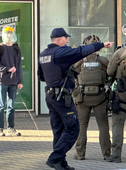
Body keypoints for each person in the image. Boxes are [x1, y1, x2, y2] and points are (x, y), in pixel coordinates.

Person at [38, 28, 113, 170]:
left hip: (51, 96)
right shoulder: (60, 52)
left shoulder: (43, 54)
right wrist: (102, 44)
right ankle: (55, 158)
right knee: (73, 128)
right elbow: (80, 51)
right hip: (62, 97)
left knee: (58, 130)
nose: (67, 41)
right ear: (59, 39)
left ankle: (60, 162)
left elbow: (41, 76)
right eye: (65, 38)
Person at [72, 35, 111, 160]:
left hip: (83, 98)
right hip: (100, 97)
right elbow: (110, 74)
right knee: (103, 126)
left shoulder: (79, 62)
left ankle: (80, 153)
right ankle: (106, 153)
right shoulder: (104, 61)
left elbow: (72, 74)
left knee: (82, 125)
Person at [0, 26, 23, 137]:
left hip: (14, 81)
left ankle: (11, 128)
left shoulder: (16, 48)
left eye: (11, 33)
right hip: (2, 80)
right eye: (7, 33)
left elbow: (19, 65)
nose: (9, 35)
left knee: (11, 105)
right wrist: (6, 69)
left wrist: (19, 81)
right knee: (1, 105)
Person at [106, 43, 126, 163]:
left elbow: (109, 71)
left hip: (122, 94)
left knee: (117, 124)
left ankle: (116, 155)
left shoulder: (120, 52)